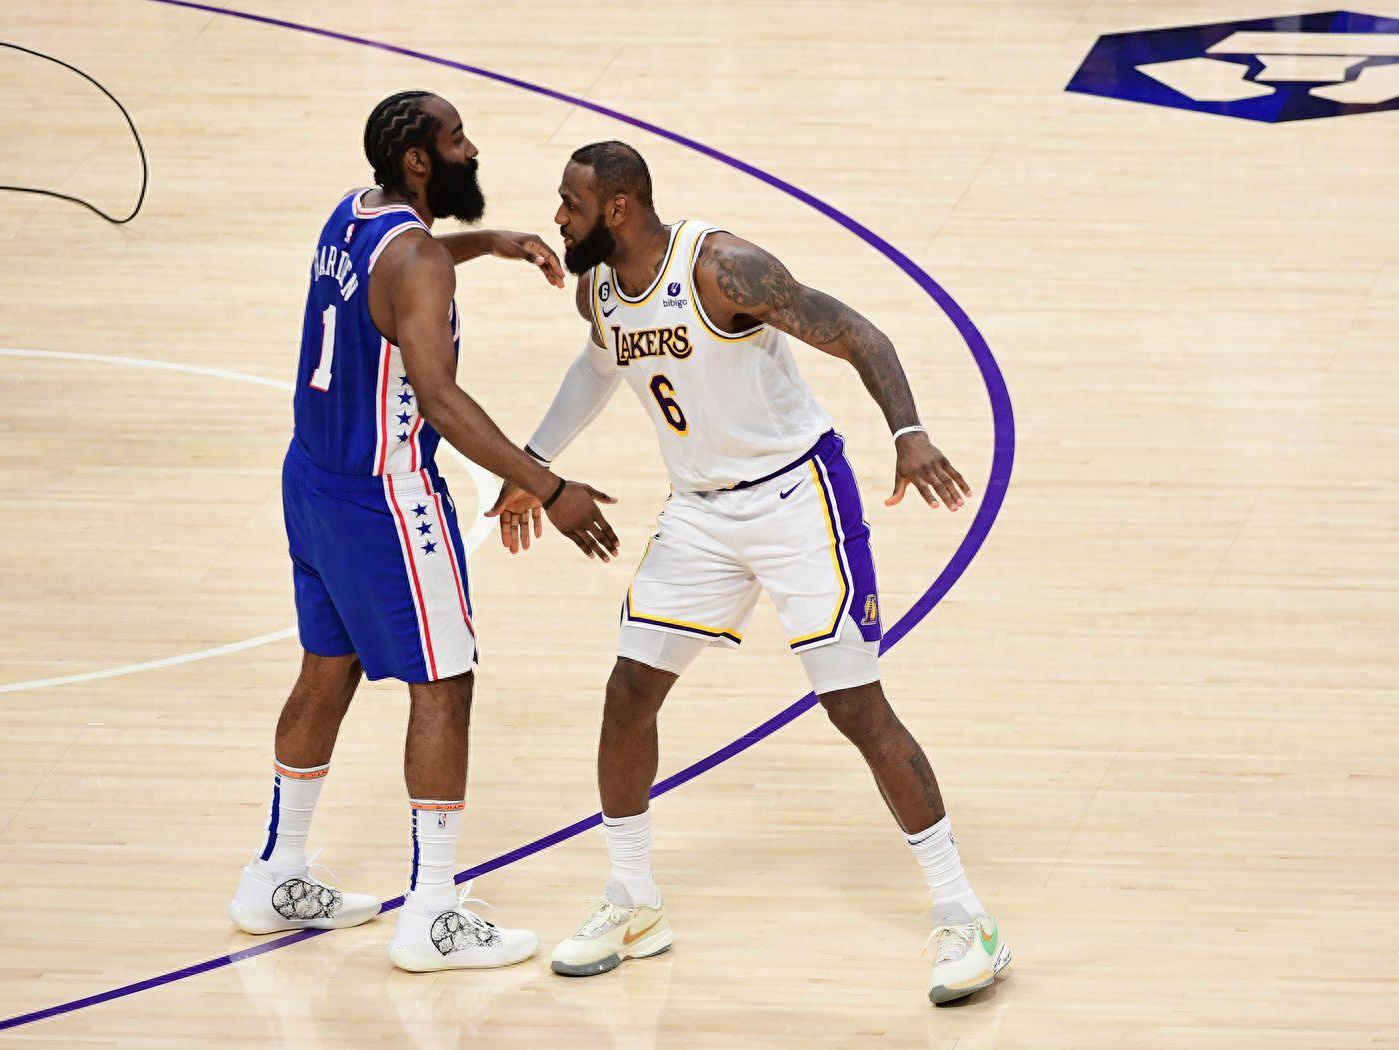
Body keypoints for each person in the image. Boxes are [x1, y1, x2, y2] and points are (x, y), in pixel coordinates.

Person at [489, 141, 1008, 1004]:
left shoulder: (723, 268)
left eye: (570, 203)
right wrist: (534, 462)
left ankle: (966, 915)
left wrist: (908, 433)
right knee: (629, 691)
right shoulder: (599, 289)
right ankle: (633, 899)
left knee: (855, 706)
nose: (558, 218)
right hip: (700, 512)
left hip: (797, 497)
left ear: (618, 207)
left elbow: (859, 334)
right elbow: (599, 364)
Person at [227, 92, 620, 974]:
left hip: (313, 482)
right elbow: (437, 398)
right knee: (444, 684)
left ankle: (274, 873)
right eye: (456, 139)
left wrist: (489, 242)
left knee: (327, 669)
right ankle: (433, 914)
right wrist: (548, 485)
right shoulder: (418, 262)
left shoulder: (353, 215)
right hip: (387, 495)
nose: (470, 150)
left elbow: (403, 266)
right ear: (418, 160)